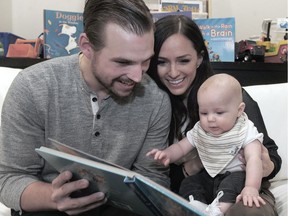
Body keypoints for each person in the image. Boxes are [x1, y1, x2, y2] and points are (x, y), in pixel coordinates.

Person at [0, 0, 172, 215]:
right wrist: (54, 198)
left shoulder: (156, 101)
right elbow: (9, 180)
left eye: (146, 61)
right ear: (87, 47)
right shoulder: (33, 87)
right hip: (46, 207)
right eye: (123, 62)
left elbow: (153, 179)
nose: (138, 76)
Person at [147, 15, 281, 216]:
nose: (173, 72)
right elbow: (155, 173)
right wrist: (191, 166)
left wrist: (262, 164)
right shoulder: (151, 105)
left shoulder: (230, 96)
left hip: (241, 186)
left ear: (199, 58)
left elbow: (272, 158)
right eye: (162, 62)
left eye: (183, 60)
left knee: (248, 211)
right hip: (193, 190)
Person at [147, 73, 265, 215]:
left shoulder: (245, 129)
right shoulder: (200, 130)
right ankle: (196, 205)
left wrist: (251, 187)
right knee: (190, 183)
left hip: (235, 174)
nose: (210, 119)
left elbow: (254, 158)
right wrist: (167, 154)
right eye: (203, 113)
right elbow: (181, 147)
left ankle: (219, 210)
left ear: (239, 110)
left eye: (219, 112)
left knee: (234, 183)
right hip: (209, 174)